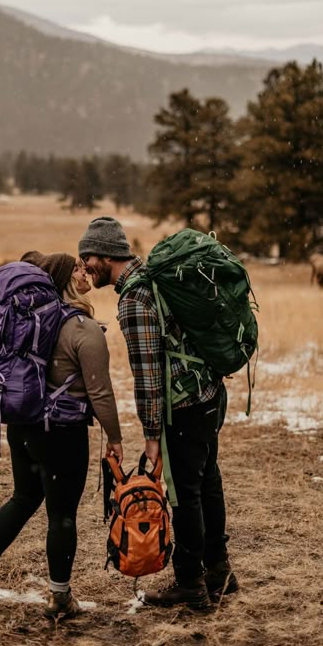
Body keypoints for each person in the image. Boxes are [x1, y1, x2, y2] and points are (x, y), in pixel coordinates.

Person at [78, 216, 238, 611]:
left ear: (104, 256)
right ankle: (219, 571)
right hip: (207, 393)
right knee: (207, 481)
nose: (84, 267)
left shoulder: (134, 298)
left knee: (185, 495)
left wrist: (152, 437)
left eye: (87, 258)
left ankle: (190, 583)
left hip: (182, 406)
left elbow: (148, 375)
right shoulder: (158, 277)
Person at [0, 251, 123, 619]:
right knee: (62, 515)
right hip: (61, 434)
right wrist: (115, 438)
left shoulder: (35, 323)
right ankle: (60, 598)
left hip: (23, 426)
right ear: (67, 279)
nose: (85, 273)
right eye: (78, 269)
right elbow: (100, 392)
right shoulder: (81, 329)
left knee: (23, 497)